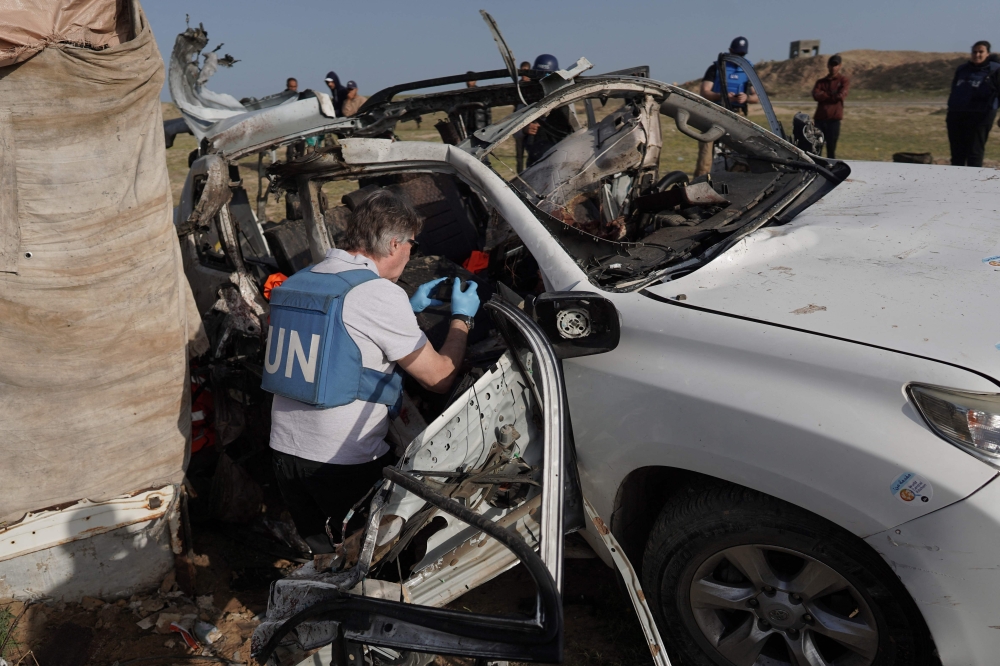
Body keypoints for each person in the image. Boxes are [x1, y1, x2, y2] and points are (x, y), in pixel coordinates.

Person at [268, 189, 480, 554]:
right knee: (381, 561)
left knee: (326, 558)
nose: (412, 252)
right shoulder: (376, 294)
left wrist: (407, 309)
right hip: (341, 461)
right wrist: (463, 318)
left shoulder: (299, 280)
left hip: (285, 453)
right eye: (412, 244)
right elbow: (440, 377)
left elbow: (340, 338)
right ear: (395, 243)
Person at [695, 37, 759, 176]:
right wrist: (722, 96)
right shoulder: (716, 68)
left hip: (737, 115)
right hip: (714, 113)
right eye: (736, 54)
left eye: (742, 55)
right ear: (730, 51)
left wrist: (746, 98)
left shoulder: (749, 70)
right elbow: (705, 91)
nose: (738, 58)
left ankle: (732, 183)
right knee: (706, 151)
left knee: (738, 153)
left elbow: (757, 97)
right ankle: (700, 182)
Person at [946, 41, 1000, 167]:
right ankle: (954, 182)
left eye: (981, 52)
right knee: (957, 153)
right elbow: (954, 89)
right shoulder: (962, 69)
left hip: (981, 115)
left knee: (974, 151)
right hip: (957, 114)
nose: (977, 55)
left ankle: (973, 183)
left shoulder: (995, 70)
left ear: (988, 54)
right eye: (974, 52)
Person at [524, 54, 574, 167]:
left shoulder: (566, 97)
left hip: (560, 154)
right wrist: (524, 130)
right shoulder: (526, 97)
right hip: (534, 158)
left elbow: (573, 127)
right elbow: (512, 129)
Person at [811, 54, 850, 159]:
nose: (833, 67)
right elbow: (816, 95)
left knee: (831, 148)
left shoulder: (843, 81)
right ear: (828, 66)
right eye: (831, 65)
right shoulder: (821, 82)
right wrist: (832, 95)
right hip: (820, 119)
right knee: (816, 147)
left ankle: (830, 169)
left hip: (834, 120)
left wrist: (824, 95)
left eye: (836, 65)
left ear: (840, 66)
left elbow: (841, 96)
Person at [459, 72, 492, 136]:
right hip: (468, 128)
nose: (468, 83)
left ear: (475, 81)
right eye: (467, 81)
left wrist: (489, 128)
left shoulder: (481, 94)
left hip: (481, 127)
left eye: (470, 80)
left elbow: (488, 112)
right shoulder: (463, 95)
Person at [515, 61, 531, 173]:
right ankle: (519, 175)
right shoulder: (517, 87)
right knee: (519, 156)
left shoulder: (534, 85)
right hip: (519, 123)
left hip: (532, 123)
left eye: (526, 71)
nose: (524, 74)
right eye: (522, 71)